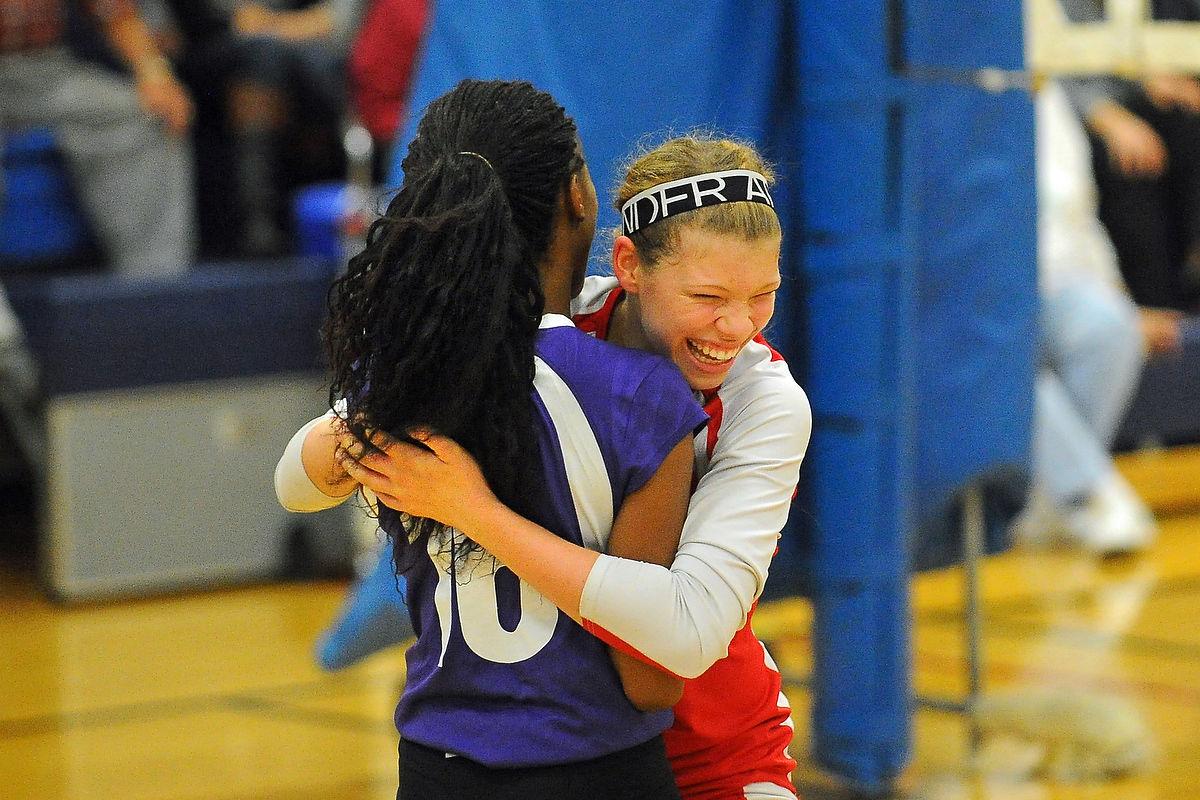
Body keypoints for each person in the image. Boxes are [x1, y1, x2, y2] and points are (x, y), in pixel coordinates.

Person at [333, 134, 812, 800]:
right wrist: (345, 441)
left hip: (717, 751)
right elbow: (308, 466)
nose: (736, 327)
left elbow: (689, 631)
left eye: (763, 295)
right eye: (708, 296)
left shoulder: (767, 401)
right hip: (567, 743)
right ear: (628, 264)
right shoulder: (551, 331)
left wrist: (472, 509)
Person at [275, 78, 707, 799]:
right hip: (594, 769)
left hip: (438, 771)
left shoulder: (413, 387)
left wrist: (361, 426)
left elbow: (294, 483)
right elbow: (651, 678)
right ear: (578, 196)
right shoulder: (645, 396)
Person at [1017, 80, 1176, 554]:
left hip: (1062, 278)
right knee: (1010, 363)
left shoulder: (1050, 98)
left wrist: (1117, 293)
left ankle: (1046, 499)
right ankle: (1089, 493)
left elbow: (1079, 215)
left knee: (1111, 327)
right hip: (983, 292)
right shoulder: (949, 93)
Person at [0, 0, 195, 275]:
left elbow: (114, 10)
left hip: (44, 65)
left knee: (149, 115)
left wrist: (153, 72)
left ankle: (154, 286)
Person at [1058, 0, 1200, 310]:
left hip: (1129, 101)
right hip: (1076, 122)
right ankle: (1155, 312)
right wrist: (1106, 116)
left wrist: (1153, 78)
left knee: (1185, 121)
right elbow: (1050, 72)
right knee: (1128, 163)